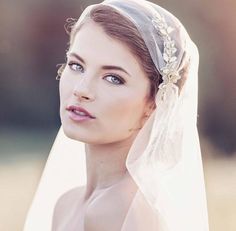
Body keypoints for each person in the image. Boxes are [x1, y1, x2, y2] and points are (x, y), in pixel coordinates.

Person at [24, 0, 209, 230]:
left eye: (113, 78)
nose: (81, 89)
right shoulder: (66, 204)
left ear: (154, 103)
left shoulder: (120, 211)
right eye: (77, 65)